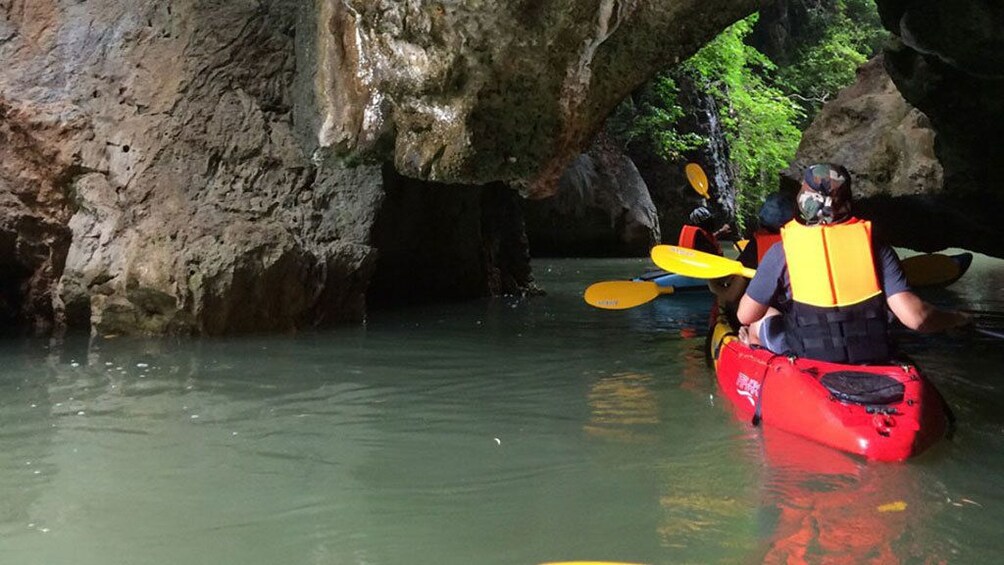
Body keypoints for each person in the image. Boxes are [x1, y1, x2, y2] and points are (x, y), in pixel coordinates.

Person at [736, 163, 970, 364]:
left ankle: (757, 357)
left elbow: (745, 315)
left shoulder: (782, 251)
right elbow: (916, 319)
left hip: (809, 356)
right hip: (872, 356)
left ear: (803, 201)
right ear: (847, 201)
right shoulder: (877, 249)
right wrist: (955, 318)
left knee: (759, 320)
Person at [708, 191, 795, 309]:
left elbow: (730, 296)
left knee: (725, 302)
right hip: (795, 313)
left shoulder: (755, 247)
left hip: (766, 315)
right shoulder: (800, 242)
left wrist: (711, 284)